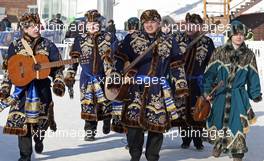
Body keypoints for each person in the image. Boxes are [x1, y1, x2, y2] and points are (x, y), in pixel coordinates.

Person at [120, 9, 188, 161]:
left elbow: (177, 65)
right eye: (146, 22)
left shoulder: (169, 41)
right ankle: (135, 155)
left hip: (158, 89)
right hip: (136, 88)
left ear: (159, 23)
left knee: (157, 128)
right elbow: (119, 59)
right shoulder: (131, 39)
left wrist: (181, 85)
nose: (149, 25)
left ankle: (152, 157)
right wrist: (123, 73)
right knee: (133, 128)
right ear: (142, 24)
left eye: (153, 22)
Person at [0, 12, 65, 161]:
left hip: (42, 90)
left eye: (37, 25)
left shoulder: (48, 45)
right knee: (23, 126)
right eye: (32, 26)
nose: (36, 28)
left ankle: (39, 139)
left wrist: (59, 81)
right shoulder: (15, 46)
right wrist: (5, 88)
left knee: (40, 124)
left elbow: (58, 68)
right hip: (21, 92)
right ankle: (25, 156)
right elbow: (9, 70)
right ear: (25, 28)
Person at [203, 20, 262, 161]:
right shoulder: (219, 52)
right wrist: (206, 91)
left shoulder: (249, 55)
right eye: (236, 34)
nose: (239, 37)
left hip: (238, 95)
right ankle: (219, 144)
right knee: (218, 121)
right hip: (220, 95)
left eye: (241, 34)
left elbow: (253, 76)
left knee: (238, 124)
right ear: (230, 35)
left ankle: (238, 153)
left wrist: (255, 93)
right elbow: (209, 74)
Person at [64, 10, 118, 141]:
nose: (92, 27)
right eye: (89, 24)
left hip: (104, 77)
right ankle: (89, 131)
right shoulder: (80, 39)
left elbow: (117, 56)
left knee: (105, 103)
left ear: (100, 24)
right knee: (88, 105)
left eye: (95, 24)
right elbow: (74, 59)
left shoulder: (109, 37)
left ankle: (106, 120)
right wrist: (70, 74)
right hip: (87, 78)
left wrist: (113, 69)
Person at [172, 13, 215, 150]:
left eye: (194, 25)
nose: (191, 27)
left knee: (197, 111)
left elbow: (212, 64)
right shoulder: (177, 39)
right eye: (189, 24)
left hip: (198, 82)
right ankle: (185, 139)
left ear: (200, 27)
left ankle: (198, 141)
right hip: (180, 82)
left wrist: (210, 82)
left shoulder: (207, 42)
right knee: (182, 112)